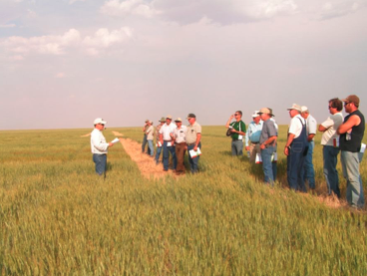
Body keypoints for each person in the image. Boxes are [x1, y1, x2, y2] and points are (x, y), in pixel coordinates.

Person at [337, 95, 365, 208]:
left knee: (353, 178)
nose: (344, 106)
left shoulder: (355, 116)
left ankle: (358, 204)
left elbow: (340, 129)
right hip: (347, 149)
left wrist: (342, 127)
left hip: (351, 150)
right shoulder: (351, 116)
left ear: (352, 104)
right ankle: (350, 202)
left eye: (346, 104)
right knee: (349, 177)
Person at [318, 98, 344, 198]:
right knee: (331, 169)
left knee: (328, 170)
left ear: (335, 107)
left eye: (330, 107)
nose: (328, 109)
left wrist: (325, 127)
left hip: (330, 145)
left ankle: (333, 193)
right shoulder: (338, 117)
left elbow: (320, 127)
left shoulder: (335, 117)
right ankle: (334, 192)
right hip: (332, 145)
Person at [284, 104, 308, 192]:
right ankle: (302, 188)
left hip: (296, 145)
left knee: (292, 167)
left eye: (291, 110)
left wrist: (287, 146)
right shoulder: (303, 120)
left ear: (296, 111)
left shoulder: (294, 120)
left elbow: (292, 135)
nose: (289, 112)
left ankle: (293, 189)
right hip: (304, 145)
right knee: (300, 168)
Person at [258, 108, 277, 185]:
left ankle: (269, 183)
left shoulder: (268, 123)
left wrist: (264, 144)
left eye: (261, 114)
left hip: (267, 148)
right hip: (269, 147)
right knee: (268, 166)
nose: (260, 116)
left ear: (266, 114)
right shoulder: (267, 123)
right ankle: (270, 181)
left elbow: (273, 136)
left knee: (267, 166)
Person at [301, 106, 317, 189]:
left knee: (308, 164)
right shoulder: (306, 120)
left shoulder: (311, 120)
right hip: (306, 143)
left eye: (301, 114)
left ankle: (311, 184)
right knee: (304, 164)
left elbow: (312, 134)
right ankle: (304, 183)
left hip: (308, 143)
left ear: (306, 113)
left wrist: (305, 141)